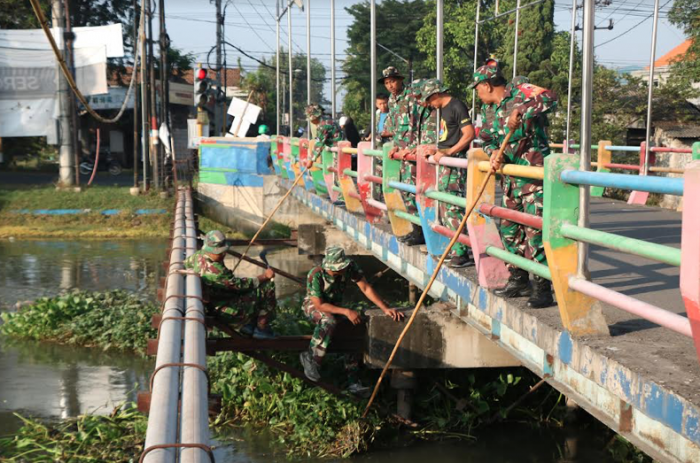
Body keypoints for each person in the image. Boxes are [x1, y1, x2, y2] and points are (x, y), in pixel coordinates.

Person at [472, 60, 558, 308]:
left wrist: (521, 110)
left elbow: (550, 97)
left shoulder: (519, 91)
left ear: (487, 85)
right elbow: (486, 138)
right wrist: (492, 153)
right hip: (509, 181)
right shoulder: (489, 111)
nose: (477, 93)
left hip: (533, 178)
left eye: (478, 88)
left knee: (536, 233)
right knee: (511, 231)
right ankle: (519, 279)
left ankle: (543, 287)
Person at [299, 245, 404, 394]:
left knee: (353, 328)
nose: (341, 270)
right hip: (314, 306)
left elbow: (366, 288)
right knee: (328, 321)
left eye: (342, 267)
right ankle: (312, 358)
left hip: (335, 306)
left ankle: (353, 381)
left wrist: (385, 308)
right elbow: (319, 304)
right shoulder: (315, 274)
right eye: (337, 268)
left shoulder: (350, 267)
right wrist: (347, 311)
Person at [421, 79, 476, 268]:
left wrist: (450, 152)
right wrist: (436, 149)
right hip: (443, 160)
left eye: (429, 100)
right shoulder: (442, 110)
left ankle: (462, 252)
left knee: (452, 203)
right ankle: (455, 248)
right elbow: (448, 136)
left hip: (453, 162)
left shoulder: (456, 105)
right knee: (444, 203)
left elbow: (469, 134)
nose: (429, 105)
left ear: (436, 94)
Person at [184, 230, 277, 339]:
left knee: (253, 291)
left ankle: (248, 325)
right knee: (266, 288)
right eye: (220, 252)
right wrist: (265, 276)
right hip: (225, 311)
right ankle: (262, 328)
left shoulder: (197, 256)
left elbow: (185, 264)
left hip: (216, 302)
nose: (224, 254)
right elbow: (240, 286)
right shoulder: (216, 271)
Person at [380, 66, 424, 245]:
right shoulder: (392, 100)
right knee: (407, 191)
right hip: (402, 153)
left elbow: (418, 125)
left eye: (393, 81)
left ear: (400, 80)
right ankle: (416, 229)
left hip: (413, 152)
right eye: (387, 83)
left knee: (417, 191)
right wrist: (395, 146)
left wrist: (414, 147)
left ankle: (422, 230)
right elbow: (397, 128)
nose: (390, 85)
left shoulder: (412, 97)